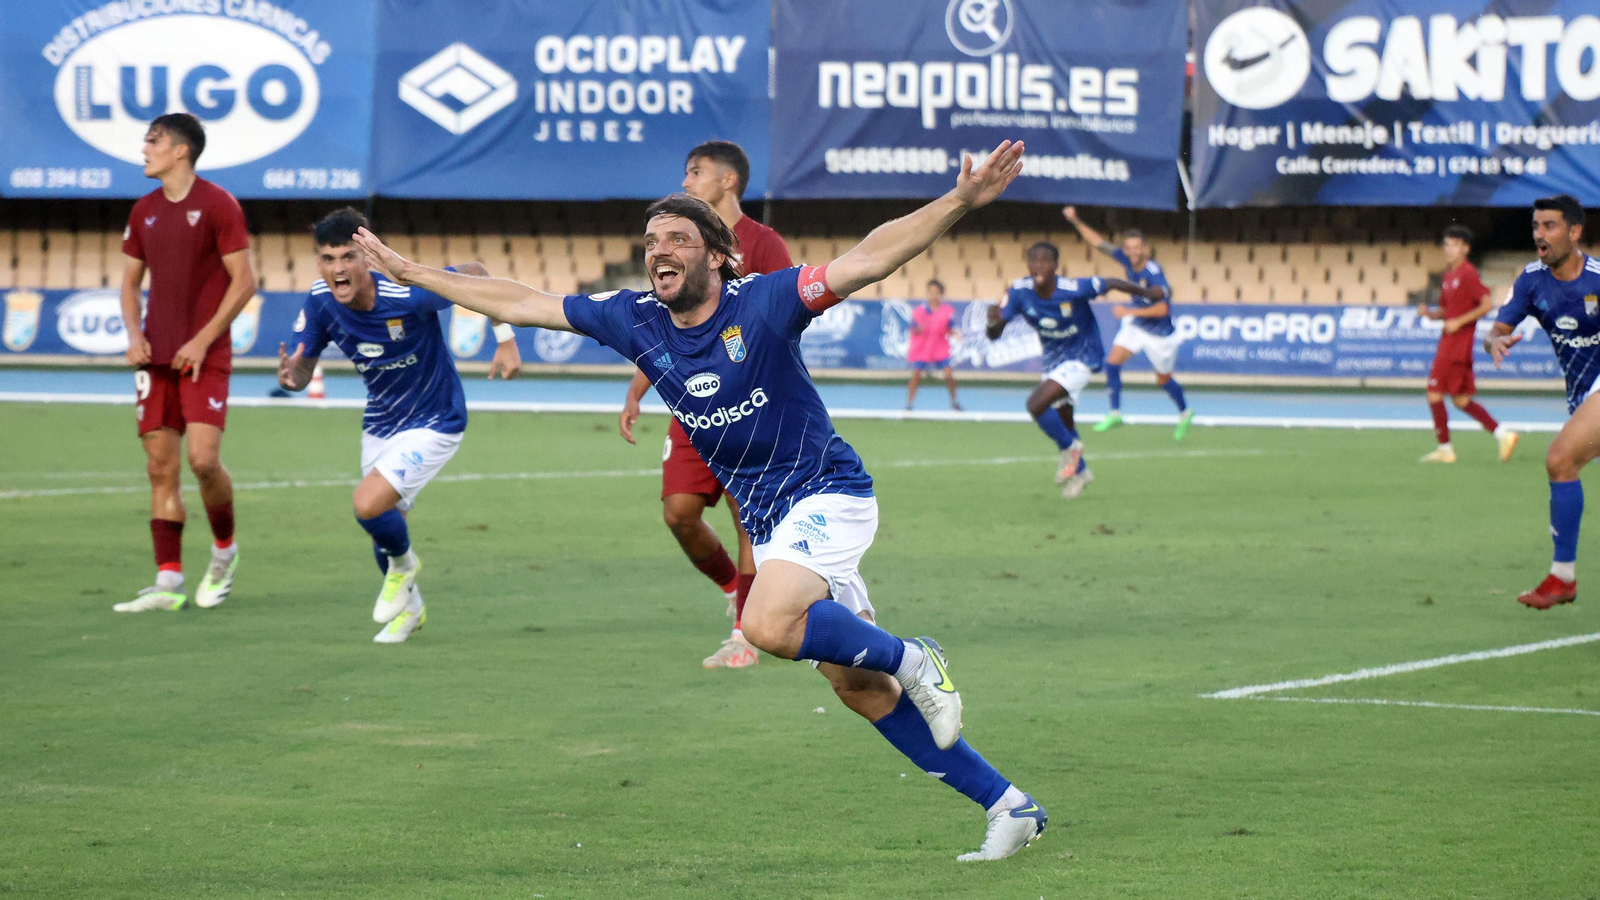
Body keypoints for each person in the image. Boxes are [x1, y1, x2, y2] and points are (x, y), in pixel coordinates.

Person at [350, 140, 1050, 861]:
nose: (661, 250)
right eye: (652, 240)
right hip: (776, 520)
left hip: (827, 493)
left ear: (717, 255)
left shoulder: (768, 300)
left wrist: (959, 202)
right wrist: (410, 270)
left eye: (679, 238)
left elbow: (869, 257)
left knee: (767, 622)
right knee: (856, 685)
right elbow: (522, 302)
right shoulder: (637, 319)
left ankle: (915, 656)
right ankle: (1009, 805)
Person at [275, 208, 522, 643]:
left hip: (436, 419)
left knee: (368, 505)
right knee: (385, 524)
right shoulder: (319, 301)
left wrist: (505, 340)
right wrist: (290, 375)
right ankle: (411, 611)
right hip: (381, 423)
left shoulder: (408, 290)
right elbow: (299, 375)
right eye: (328, 259)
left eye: (347, 257)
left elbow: (479, 274)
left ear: (368, 255)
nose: (337, 269)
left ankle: (406, 568)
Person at [617, 140, 792, 670]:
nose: (687, 181)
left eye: (696, 172)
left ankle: (744, 632)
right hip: (691, 406)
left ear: (728, 182)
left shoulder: (763, 244)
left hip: (750, 408)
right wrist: (636, 390)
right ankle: (731, 589)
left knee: (745, 519)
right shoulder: (679, 251)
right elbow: (666, 323)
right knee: (679, 513)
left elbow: (785, 318)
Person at [113, 113, 256, 613]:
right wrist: (134, 333)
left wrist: (202, 341)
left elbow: (245, 281)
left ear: (180, 150)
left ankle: (224, 551)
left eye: (153, 141)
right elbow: (130, 283)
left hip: (204, 356)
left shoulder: (218, 204)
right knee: (160, 467)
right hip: (155, 358)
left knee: (202, 460)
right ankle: (168, 581)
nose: (144, 149)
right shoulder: (143, 211)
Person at [1485, 194, 1600, 611]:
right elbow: (1496, 330)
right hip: (1582, 394)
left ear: (1574, 231)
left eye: (1550, 226)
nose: (1540, 235)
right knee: (1564, 464)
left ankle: (1562, 577)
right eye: (1536, 226)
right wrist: (1495, 340)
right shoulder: (1532, 280)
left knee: (1559, 459)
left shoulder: (1599, 280)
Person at [986, 243, 1165, 499]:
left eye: (1045, 260)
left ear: (1055, 266)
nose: (1038, 265)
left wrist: (1146, 292)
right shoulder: (1018, 291)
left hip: (1083, 356)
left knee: (1035, 404)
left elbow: (1112, 282)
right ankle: (1081, 472)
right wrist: (992, 322)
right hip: (1053, 360)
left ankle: (1070, 449)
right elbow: (994, 334)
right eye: (1033, 260)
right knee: (1064, 419)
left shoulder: (1072, 288)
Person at [1061, 207, 1193, 439]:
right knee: (1112, 364)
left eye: (1136, 248)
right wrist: (1075, 220)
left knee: (1163, 379)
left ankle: (1185, 412)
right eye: (1128, 248)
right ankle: (1115, 413)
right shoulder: (1126, 260)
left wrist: (1129, 310)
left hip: (1160, 335)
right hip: (1136, 326)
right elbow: (1098, 242)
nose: (1132, 252)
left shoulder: (1154, 273)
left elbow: (1163, 308)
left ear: (1145, 249)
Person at [1417, 225, 1518, 464]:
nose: (1448, 249)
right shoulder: (1449, 276)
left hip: (1455, 345)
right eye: (1446, 245)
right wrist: (1430, 314)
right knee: (1461, 400)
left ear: (1465, 248)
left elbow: (1486, 305)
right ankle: (1504, 434)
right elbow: (1446, 310)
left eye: (1453, 245)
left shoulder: (1468, 273)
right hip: (1451, 343)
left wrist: (1458, 322)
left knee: (1433, 394)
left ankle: (1445, 449)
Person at [904, 279, 962, 411]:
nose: (933, 295)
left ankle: (954, 401)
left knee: (948, 374)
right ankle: (909, 404)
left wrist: (955, 334)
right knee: (916, 376)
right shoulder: (919, 311)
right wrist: (919, 328)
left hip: (940, 347)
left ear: (941, 294)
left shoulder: (947, 311)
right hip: (923, 348)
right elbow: (913, 328)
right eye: (930, 292)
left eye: (936, 292)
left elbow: (950, 328)